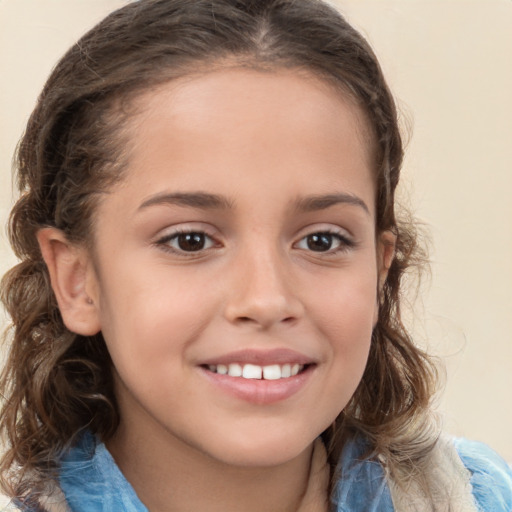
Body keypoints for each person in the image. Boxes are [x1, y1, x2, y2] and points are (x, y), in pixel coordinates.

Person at [0, 0, 510, 510]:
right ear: (76, 279)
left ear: (379, 271)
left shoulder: (480, 498)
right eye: (190, 240)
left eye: (322, 240)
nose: (266, 300)